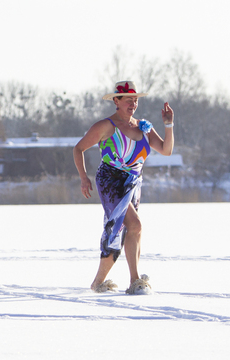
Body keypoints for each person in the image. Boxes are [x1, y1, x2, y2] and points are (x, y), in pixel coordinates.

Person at [73, 80, 174, 294]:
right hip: (111, 180)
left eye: (135, 100)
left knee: (129, 229)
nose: (133, 104)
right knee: (132, 224)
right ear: (116, 101)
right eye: (129, 99)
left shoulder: (144, 127)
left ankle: (99, 282)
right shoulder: (106, 126)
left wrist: (168, 125)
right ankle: (135, 281)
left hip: (133, 182)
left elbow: (166, 150)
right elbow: (78, 148)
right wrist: (84, 177)